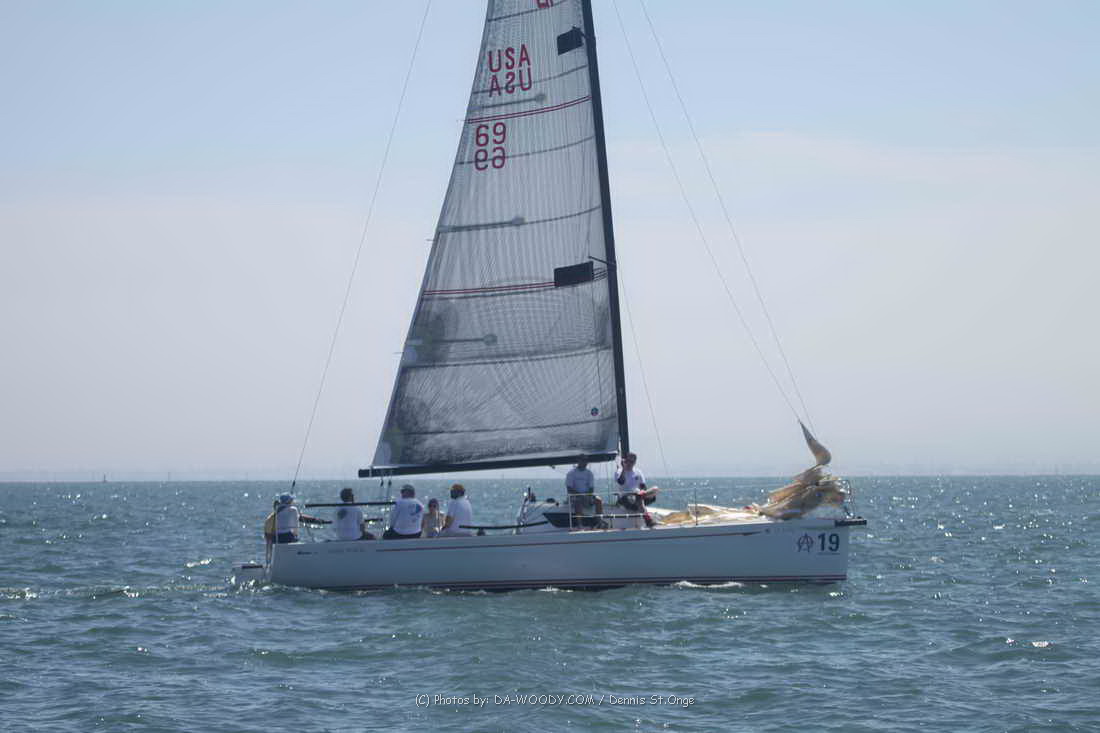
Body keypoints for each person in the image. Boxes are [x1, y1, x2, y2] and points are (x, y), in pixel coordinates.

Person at [615, 453, 657, 528]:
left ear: (634, 462)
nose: (629, 463)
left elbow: (643, 487)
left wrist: (642, 492)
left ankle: (640, 497)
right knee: (638, 497)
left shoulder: (638, 472)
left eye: (632, 461)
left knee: (655, 489)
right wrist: (623, 468)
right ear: (624, 461)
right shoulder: (619, 471)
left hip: (639, 494)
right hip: (626, 497)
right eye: (628, 461)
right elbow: (621, 482)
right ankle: (648, 520)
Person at [565, 458, 603, 526]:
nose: (585, 462)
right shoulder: (571, 473)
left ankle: (599, 522)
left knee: (598, 500)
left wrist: (588, 496)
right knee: (578, 501)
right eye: (583, 460)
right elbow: (569, 489)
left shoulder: (589, 473)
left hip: (587, 495)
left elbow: (591, 488)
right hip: (575, 496)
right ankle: (580, 525)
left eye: (586, 461)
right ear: (578, 461)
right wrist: (581, 496)